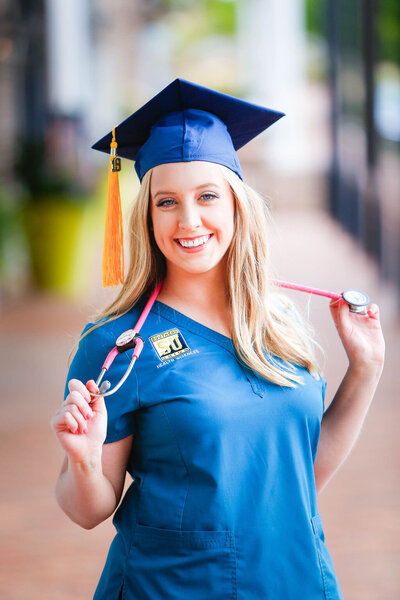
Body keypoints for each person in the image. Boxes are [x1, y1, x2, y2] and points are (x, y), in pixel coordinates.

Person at [51, 79, 385, 600]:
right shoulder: (117, 345)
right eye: (166, 202)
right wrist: (83, 460)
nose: (189, 221)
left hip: (293, 579)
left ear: (236, 204)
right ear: (146, 216)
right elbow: (88, 510)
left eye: (207, 196)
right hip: (174, 587)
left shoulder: (277, 324)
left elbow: (301, 475)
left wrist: (364, 370)